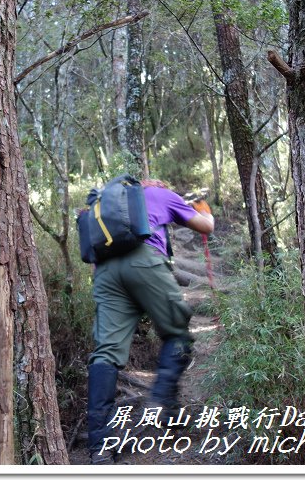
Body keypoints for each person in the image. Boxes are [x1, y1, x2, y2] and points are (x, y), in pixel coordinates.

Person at [86, 179, 214, 464]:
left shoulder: (105, 204)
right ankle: (161, 404)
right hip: (144, 261)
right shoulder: (162, 194)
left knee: (106, 352)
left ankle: (100, 446)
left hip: (105, 274)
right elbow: (206, 227)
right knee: (177, 332)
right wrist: (206, 212)